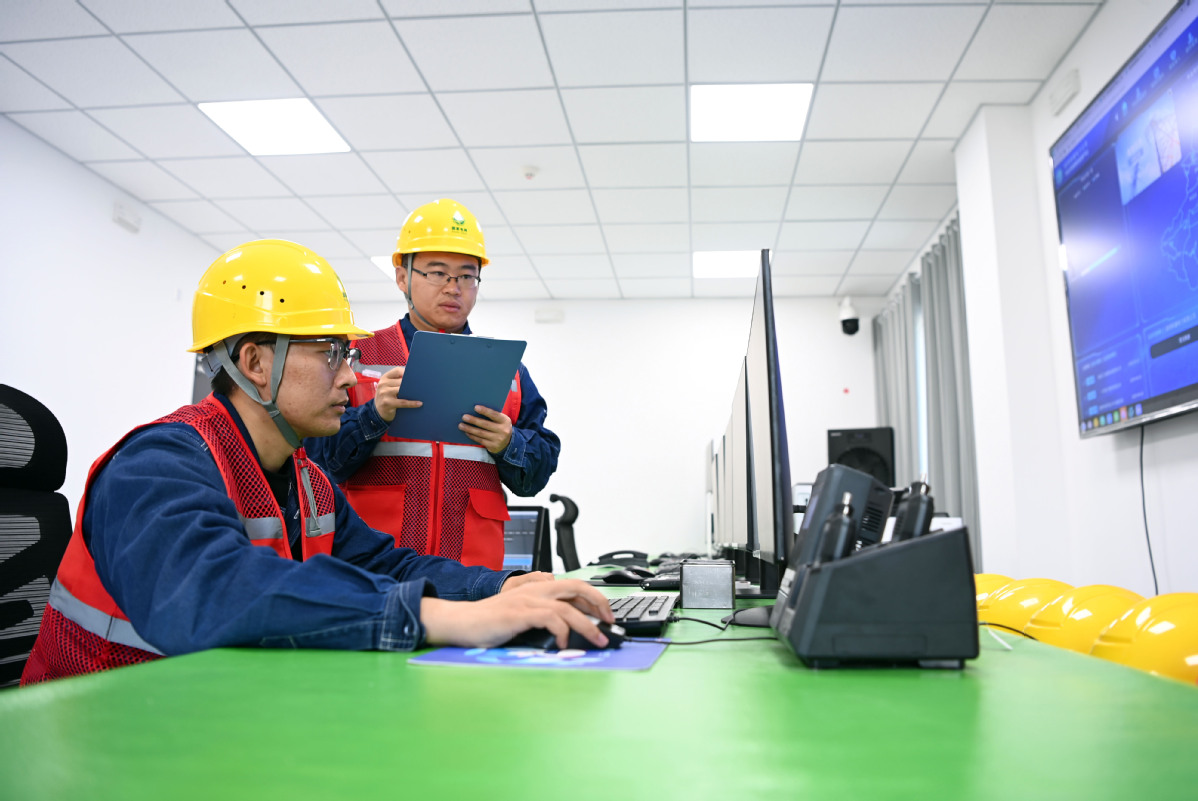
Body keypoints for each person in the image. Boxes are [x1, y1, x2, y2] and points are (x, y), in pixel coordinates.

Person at [20, 239, 610, 685]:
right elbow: (213, 592)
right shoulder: (158, 464)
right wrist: (445, 619)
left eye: (347, 353)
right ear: (256, 363)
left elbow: (387, 563)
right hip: (102, 739)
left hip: (211, 715)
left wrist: (502, 586)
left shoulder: (307, 479)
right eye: (331, 353)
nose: (351, 376)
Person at [303, 198, 560, 571]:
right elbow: (318, 461)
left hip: (474, 575)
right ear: (402, 277)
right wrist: (373, 416)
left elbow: (537, 474)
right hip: (376, 568)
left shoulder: (509, 373)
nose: (454, 288)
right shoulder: (355, 357)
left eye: (467, 276)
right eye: (438, 273)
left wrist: (509, 444)